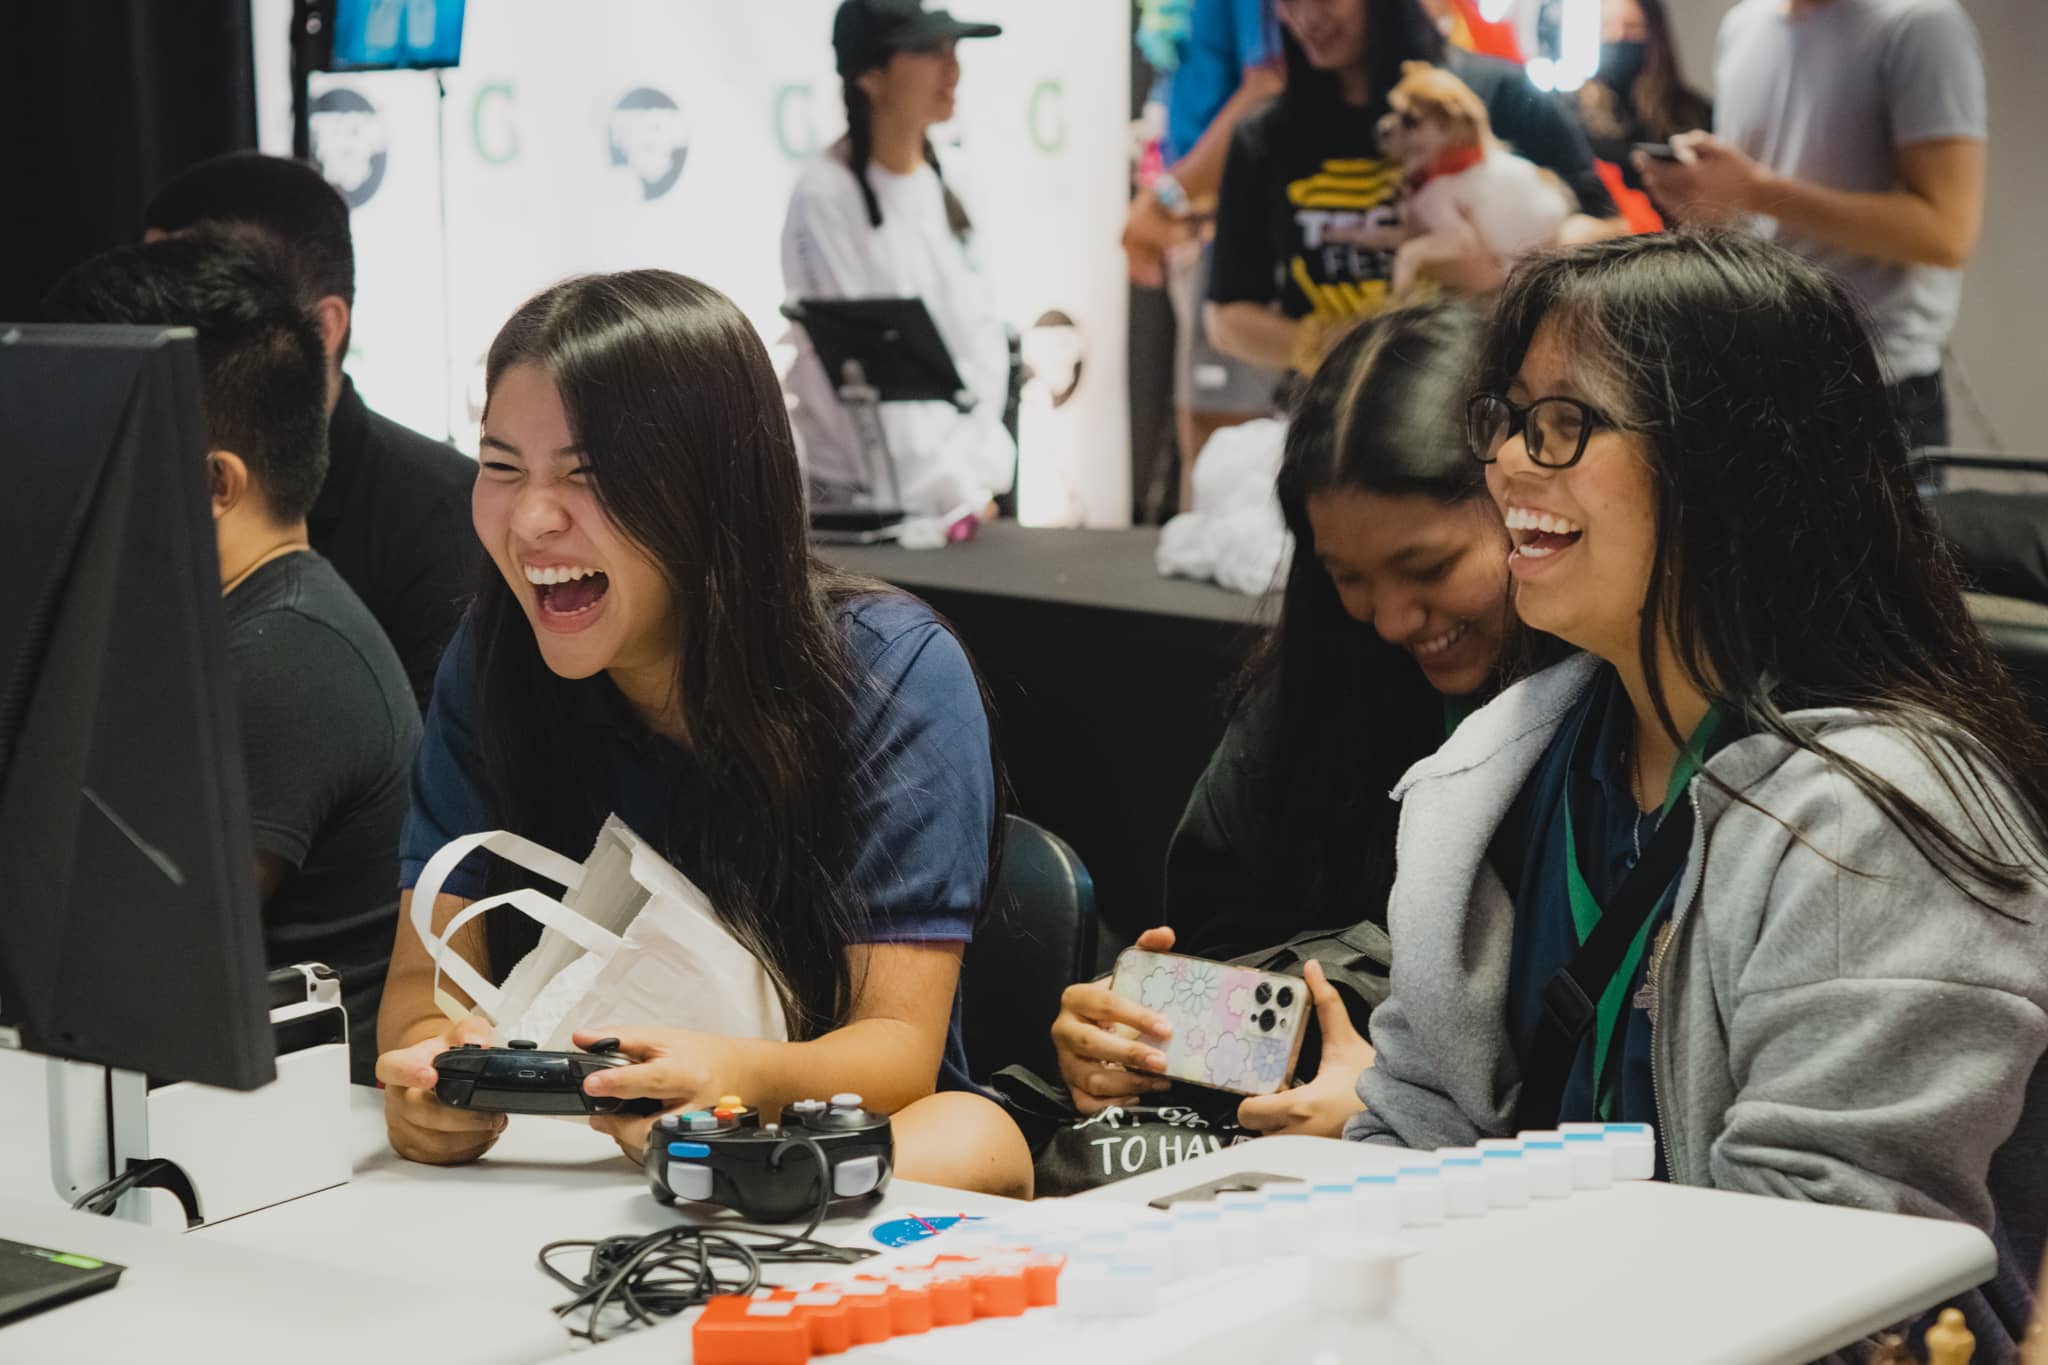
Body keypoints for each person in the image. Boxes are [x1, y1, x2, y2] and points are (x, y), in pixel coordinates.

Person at [1350, 231, 2048, 1355]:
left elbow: (1825, 1275)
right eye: (1506, 418)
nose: (1509, 466)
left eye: (1562, 424)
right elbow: (1414, 1136)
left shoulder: (1880, 824)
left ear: (1727, 462)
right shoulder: (1495, 773)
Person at [372, 270, 1032, 1199]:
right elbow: (416, 987)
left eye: (586, 474)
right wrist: (429, 1076)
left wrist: (732, 1080)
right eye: (500, 465)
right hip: (553, 1182)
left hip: (803, 1168)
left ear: (710, 484)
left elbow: (897, 1056)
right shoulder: (492, 664)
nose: (529, 520)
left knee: (972, 1131)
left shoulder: (890, 674)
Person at [1050, 302, 1515, 1143]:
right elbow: (1217, 950)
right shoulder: (1310, 704)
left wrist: (1394, 1108)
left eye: (1429, 568)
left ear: (1524, 503)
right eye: (1349, 576)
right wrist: (1122, 1038)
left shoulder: (1604, 732)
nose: (1394, 618)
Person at [44, 234, 420, 1086]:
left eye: (90, 441)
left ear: (217, 484)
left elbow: (119, 961)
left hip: (271, 1160)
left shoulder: (284, 657)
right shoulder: (228, 624)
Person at [145, 152, 479, 711]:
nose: (156, 335)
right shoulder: (138, 482)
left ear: (323, 328)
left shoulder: (442, 513)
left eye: (196, 307)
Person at [1634, 0, 1987, 449]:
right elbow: (1759, 219)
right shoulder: (1745, 24)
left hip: (1875, 385)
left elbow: (1947, 234)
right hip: (1756, 370)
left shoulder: (1918, 24)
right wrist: (1709, 201)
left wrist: (1756, 191)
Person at [1206, 0, 1624, 377]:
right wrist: (1337, 345)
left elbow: (1612, 242)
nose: (1307, 17)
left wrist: (1501, 271)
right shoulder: (1267, 137)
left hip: (1484, 402)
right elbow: (1227, 317)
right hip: (1334, 416)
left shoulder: (1495, 96)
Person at [781, 0, 1014, 523]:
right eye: (928, 50)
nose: (952, 68)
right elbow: (865, 376)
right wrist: (949, 492)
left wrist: (974, 480)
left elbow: (981, 346)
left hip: (962, 496)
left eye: (953, 49)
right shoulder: (826, 195)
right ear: (869, 75)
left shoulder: (956, 176)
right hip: (861, 503)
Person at [1123, 0, 1287, 505]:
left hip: (1237, 229)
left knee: (1226, 451)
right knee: (1207, 441)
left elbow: (1270, 85)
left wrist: (1167, 196)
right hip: (1199, 228)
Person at [1575, 0, 1710, 224]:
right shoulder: (1572, 111)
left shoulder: (1693, 112)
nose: (1619, 37)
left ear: (1654, 36)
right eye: (1607, 27)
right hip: (1606, 247)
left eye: (1632, 28)